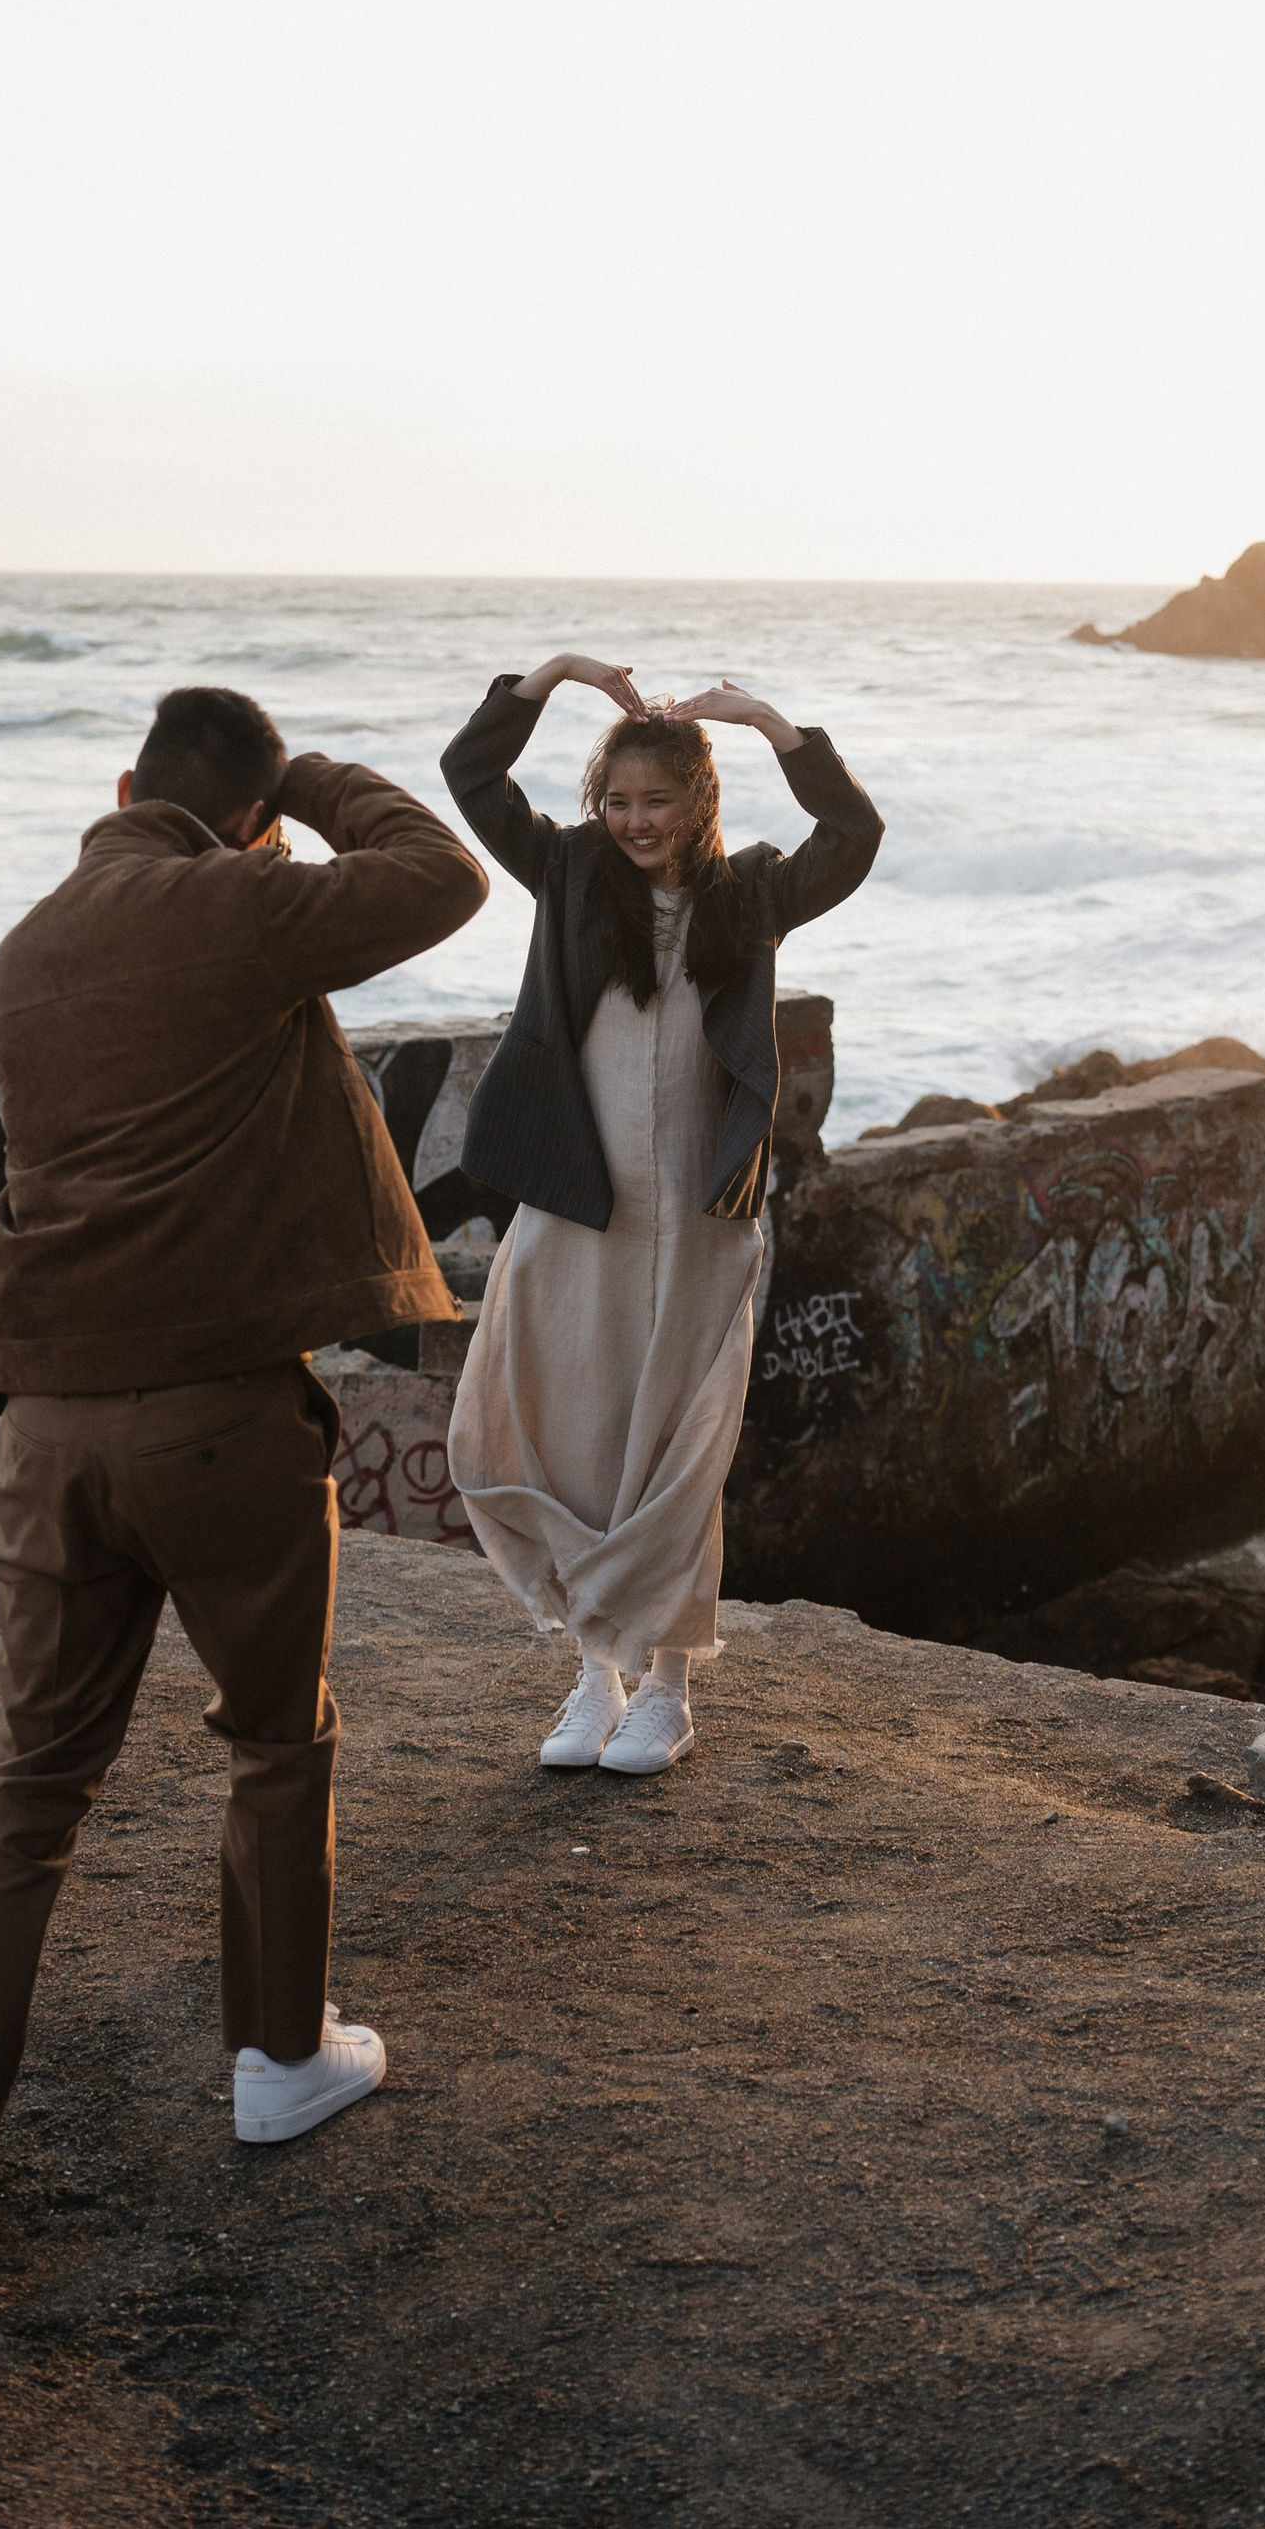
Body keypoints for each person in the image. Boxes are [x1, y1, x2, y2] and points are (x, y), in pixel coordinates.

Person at [0, 682, 487, 2251]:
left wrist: (252, 809)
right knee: (278, 1744)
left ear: (124, 780)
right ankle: (282, 2061)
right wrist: (317, 785)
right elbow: (445, 874)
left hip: (47, 1424)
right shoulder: (244, 904)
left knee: (30, 1782)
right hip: (216, 1421)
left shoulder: (30, 942)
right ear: (249, 817)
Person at [438, 655, 883, 1775]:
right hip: (578, 1208)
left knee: (679, 1448)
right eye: (618, 801)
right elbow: (471, 774)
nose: (636, 821)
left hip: (699, 1214)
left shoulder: (753, 896)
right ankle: (594, 1675)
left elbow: (855, 833)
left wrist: (769, 722)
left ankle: (667, 1693)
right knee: (561, 1429)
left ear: (700, 803)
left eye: (659, 801)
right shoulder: (572, 876)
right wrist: (552, 679)